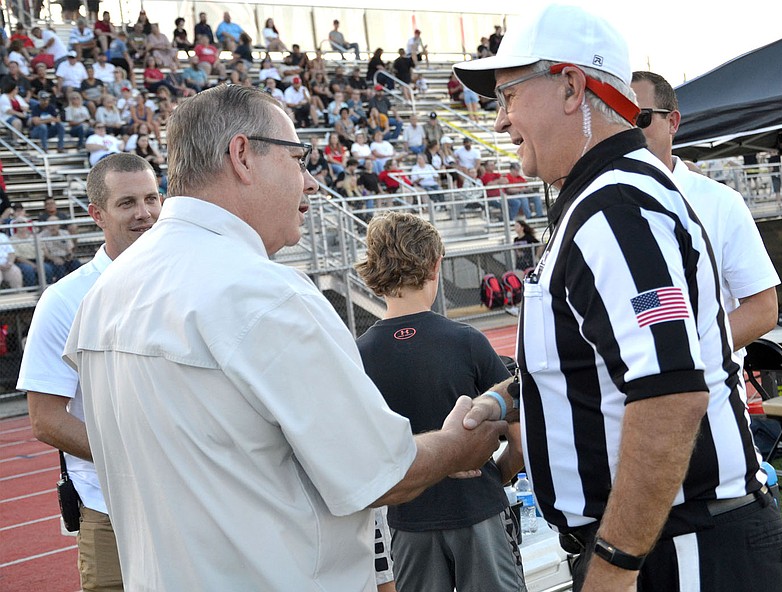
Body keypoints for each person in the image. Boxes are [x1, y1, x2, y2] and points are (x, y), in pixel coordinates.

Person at [62, 84, 507, 590]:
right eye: (299, 159)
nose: (311, 183)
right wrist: (458, 446)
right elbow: (381, 472)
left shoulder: (105, 292)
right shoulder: (264, 293)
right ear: (243, 156)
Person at [453, 5, 782, 591]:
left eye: (507, 95)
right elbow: (603, 364)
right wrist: (503, 401)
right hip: (672, 541)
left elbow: (671, 391)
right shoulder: (607, 198)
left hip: (677, 546)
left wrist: (613, 564)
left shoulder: (616, 207)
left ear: (569, 86)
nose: (502, 121)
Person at [356, 212, 527, 592]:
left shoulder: (358, 355)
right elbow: (519, 438)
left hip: (407, 521)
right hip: (479, 511)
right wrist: (494, 477)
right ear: (436, 265)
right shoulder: (466, 341)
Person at [19, 153, 161, 592]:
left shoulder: (187, 282)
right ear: (96, 214)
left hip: (196, 501)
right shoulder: (65, 300)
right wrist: (136, 458)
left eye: (152, 199)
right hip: (110, 510)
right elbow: (45, 418)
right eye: (127, 203)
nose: (145, 213)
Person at [630, 71, 779, 358]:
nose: (630, 129)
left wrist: (683, 359)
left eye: (641, 117)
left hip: (712, 395)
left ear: (672, 122)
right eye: (620, 118)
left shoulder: (720, 202)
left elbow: (763, 309)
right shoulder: (600, 208)